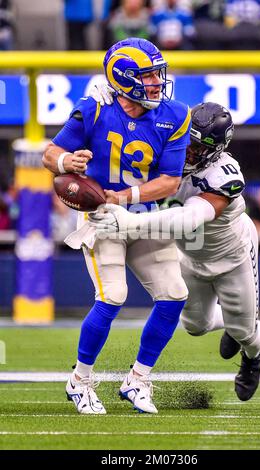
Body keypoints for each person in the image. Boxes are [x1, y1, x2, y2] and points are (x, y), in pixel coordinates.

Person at [42, 37, 191, 414]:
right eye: (148, 76)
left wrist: (121, 198)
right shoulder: (93, 108)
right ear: (124, 79)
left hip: (141, 213)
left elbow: (170, 181)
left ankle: (138, 379)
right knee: (113, 295)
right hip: (101, 217)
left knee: (174, 293)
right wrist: (68, 164)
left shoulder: (175, 115)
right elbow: (50, 154)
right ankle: (80, 381)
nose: (158, 82)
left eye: (158, 74)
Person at [92, 101, 260, 402]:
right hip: (190, 256)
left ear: (216, 150)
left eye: (198, 148)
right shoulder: (162, 149)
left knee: (245, 332)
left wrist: (130, 221)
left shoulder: (224, 175)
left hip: (232, 256)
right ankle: (234, 324)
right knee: (196, 327)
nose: (188, 152)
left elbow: (187, 219)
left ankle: (253, 355)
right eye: (188, 142)